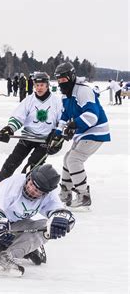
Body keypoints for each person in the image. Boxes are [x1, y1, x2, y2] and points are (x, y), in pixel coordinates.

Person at [47, 62, 110, 209]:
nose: (62, 83)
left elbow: (92, 115)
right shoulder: (66, 95)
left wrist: (74, 125)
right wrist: (57, 133)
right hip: (83, 133)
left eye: (64, 79)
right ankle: (66, 193)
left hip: (96, 131)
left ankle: (84, 196)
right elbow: (65, 116)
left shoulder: (83, 91)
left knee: (75, 159)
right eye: (59, 80)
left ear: (72, 76)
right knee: (67, 159)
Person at [0, 72, 62, 183]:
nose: (39, 88)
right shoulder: (29, 100)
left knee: (30, 169)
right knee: (10, 163)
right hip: (27, 138)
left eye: (42, 85)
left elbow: (62, 121)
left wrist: (57, 136)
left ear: (47, 85)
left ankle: (20, 191)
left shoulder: (56, 101)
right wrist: (9, 129)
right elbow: (18, 117)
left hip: (44, 141)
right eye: (37, 85)